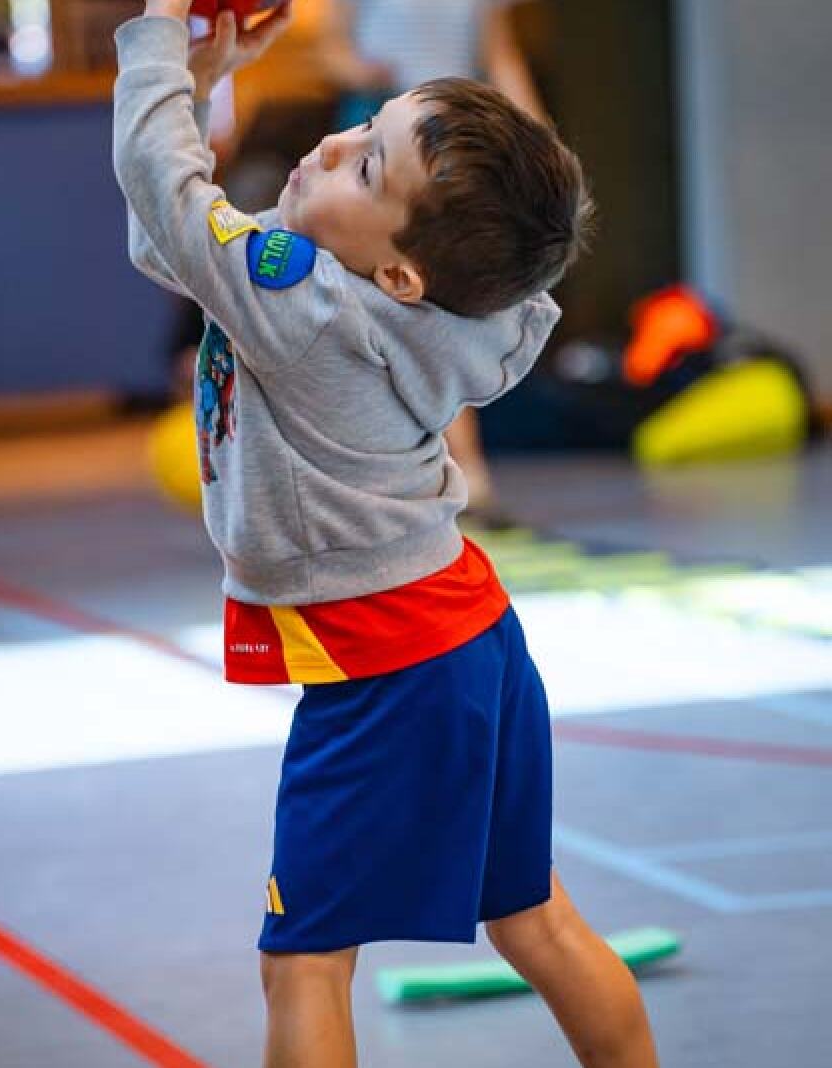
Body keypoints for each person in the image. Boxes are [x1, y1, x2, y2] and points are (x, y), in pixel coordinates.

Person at [113, 4, 658, 1067]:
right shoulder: (443, 307)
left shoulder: (304, 306)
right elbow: (168, 240)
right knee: (535, 921)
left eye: (367, 169)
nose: (333, 145)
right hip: (468, 634)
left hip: (385, 665)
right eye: (366, 128)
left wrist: (159, 36)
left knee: (305, 962)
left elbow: (161, 189)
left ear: (402, 272)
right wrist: (205, 81)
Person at [325, 0, 550, 519]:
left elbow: (499, 55)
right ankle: (431, 471)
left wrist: (537, 139)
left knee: (442, 304)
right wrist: (367, 74)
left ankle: (460, 468)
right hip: (381, 138)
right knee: (379, 312)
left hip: (453, 150)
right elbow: (331, 52)